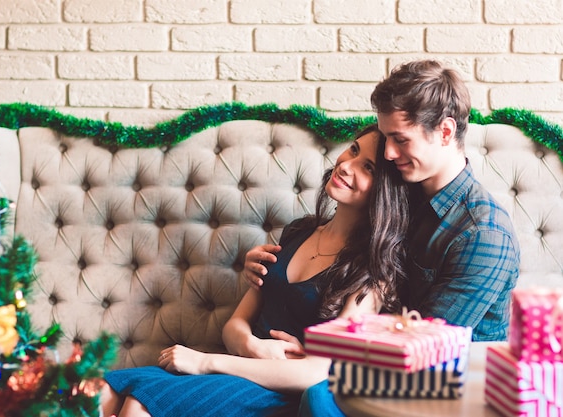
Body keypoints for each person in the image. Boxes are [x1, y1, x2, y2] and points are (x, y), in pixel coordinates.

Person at [99, 124, 410, 417]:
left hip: (278, 391)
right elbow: (235, 324)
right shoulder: (297, 233)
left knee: (139, 406)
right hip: (239, 366)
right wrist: (253, 347)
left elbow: (316, 373)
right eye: (353, 150)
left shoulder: (372, 273)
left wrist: (206, 362)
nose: (346, 165)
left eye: (367, 167)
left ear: (385, 191)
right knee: (98, 393)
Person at [370, 59, 520, 342]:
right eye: (385, 139)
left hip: (452, 379)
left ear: (446, 132)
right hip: (387, 363)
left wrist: (327, 351)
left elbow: (423, 344)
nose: (388, 153)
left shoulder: (484, 234)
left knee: (315, 388)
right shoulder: (401, 195)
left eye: (400, 140)